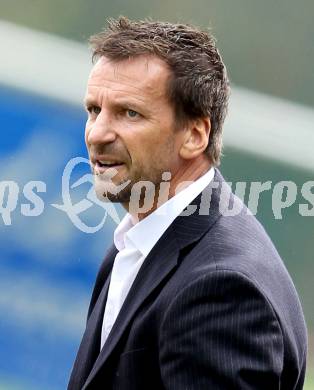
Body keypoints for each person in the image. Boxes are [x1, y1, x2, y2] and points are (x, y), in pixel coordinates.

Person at [68, 17, 307, 389]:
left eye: (129, 113)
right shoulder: (133, 245)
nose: (97, 133)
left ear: (195, 135)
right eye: (94, 110)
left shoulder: (222, 290)